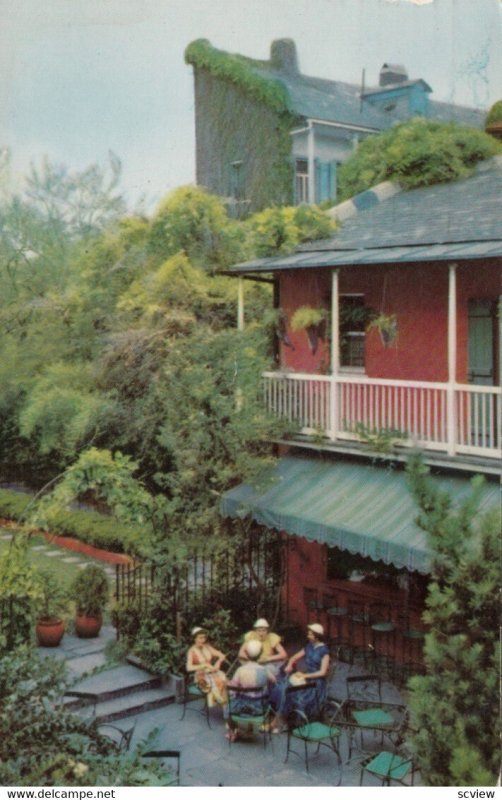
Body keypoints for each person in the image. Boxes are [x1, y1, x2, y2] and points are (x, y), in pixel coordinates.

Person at [270, 622, 330, 732]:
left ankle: (281, 721)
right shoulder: (309, 646)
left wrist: (304, 675)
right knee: (284, 686)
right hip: (306, 678)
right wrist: (289, 665)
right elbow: (294, 657)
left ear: (316, 636)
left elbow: (323, 672)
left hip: (316, 682)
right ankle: (280, 719)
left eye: (310, 634)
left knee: (291, 691)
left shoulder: (324, 651)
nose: (308, 635)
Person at [225, 639, 276, 741]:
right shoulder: (264, 670)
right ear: (260, 654)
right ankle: (251, 729)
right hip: (260, 708)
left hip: (241, 708)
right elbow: (274, 681)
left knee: (229, 703)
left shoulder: (240, 670)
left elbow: (232, 690)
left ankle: (232, 731)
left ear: (246, 654)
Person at [186, 626, 228, 707]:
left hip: (212, 672)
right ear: (194, 639)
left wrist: (218, 662)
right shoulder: (191, 651)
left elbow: (222, 655)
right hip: (200, 676)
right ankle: (220, 702)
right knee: (217, 680)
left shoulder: (207, 647)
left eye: (204, 638)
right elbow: (188, 668)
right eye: (200, 638)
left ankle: (224, 706)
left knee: (224, 679)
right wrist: (204, 665)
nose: (203, 640)